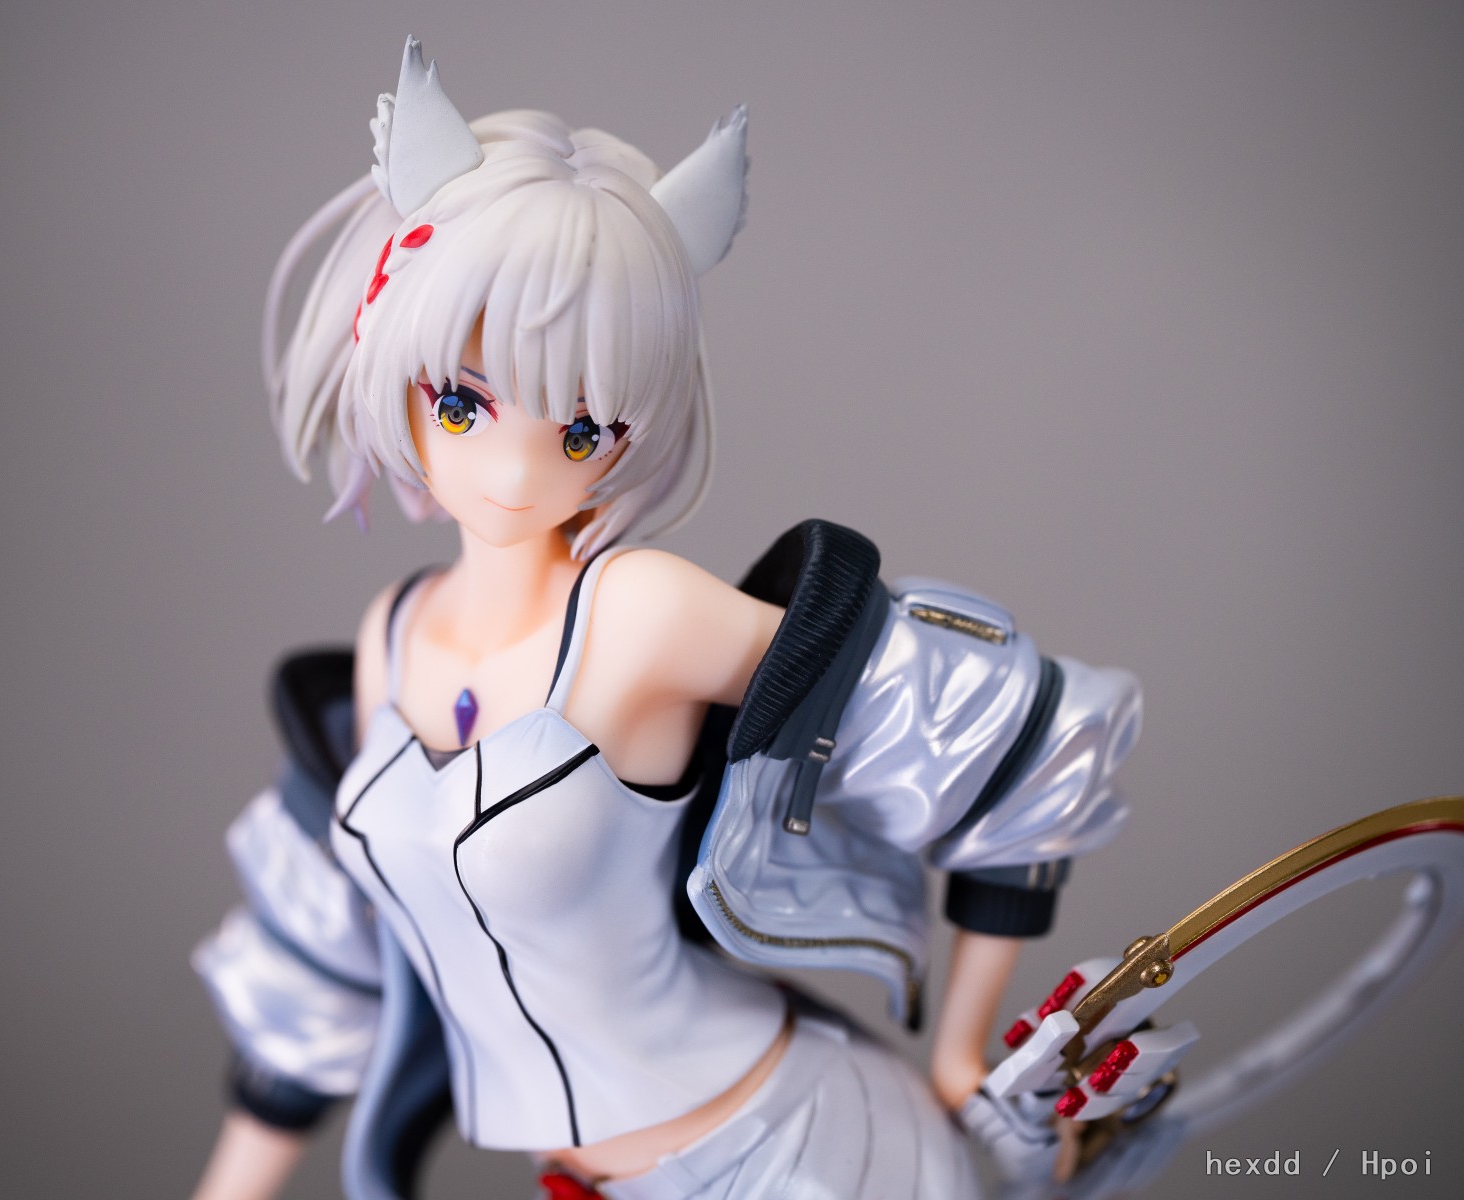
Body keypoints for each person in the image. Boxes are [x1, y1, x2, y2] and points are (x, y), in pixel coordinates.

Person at [191, 39, 1139, 1200]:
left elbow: (1007, 735)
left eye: (582, 429)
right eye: (464, 404)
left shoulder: (639, 615)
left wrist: (963, 1051)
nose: (516, 469)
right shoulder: (394, 637)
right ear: (397, 369)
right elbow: (327, 958)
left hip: (795, 1154)